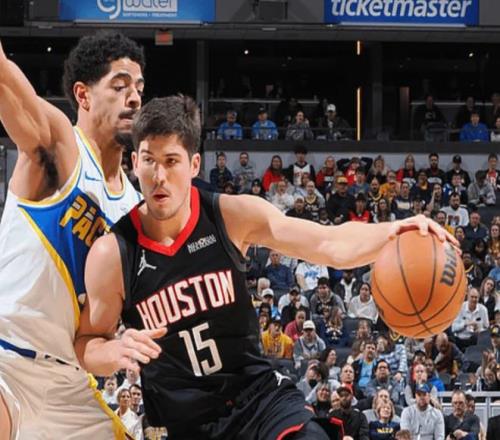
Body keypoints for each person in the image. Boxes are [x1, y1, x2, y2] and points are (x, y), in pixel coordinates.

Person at [74, 95, 456, 440]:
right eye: (148, 160)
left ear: (193, 165)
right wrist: (114, 351)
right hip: (179, 423)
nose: (159, 176)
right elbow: (86, 343)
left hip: (256, 400)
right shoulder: (114, 253)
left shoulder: (229, 216)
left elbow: (327, 243)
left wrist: (395, 230)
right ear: (134, 163)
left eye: (171, 161)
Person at [0, 31, 144, 439]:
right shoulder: (60, 146)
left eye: (139, 87)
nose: (134, 97)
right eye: (119, 86)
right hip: (6, 359)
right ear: (83, 95)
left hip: (71, 384)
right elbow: (3, 76)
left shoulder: (136, 209)